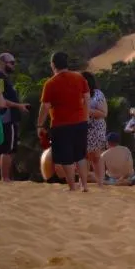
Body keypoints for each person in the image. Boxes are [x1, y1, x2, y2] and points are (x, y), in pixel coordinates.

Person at [37, 52, 90, 192]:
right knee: (80, 155)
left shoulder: (50, 83)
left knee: (67, 157)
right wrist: (85, 116)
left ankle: (72, 186)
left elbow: (45, 107)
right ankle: (84, 185)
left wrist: (39, 124)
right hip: (80, 122)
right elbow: (87, 98)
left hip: (61, 124)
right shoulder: (79, 78)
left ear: (53, 65)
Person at [0, 53, 22, 182]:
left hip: (4, 117)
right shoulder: (0, 79)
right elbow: (1, 99)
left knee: (1, 150)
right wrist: (19, 106)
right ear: (2, 62)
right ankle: (5, 178)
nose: (13, 65)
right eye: (11, 62)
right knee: (7, 150)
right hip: (6, 118)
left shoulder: (2, 78)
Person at [82, 71, 108, 188]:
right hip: (82, 127)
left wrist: (87, 111)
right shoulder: (76, 93)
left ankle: (100, 183)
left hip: (96, 127)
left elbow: (104, 113)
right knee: (83, 156)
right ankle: (83, 183)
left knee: (96, 156)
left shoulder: (98, 94)